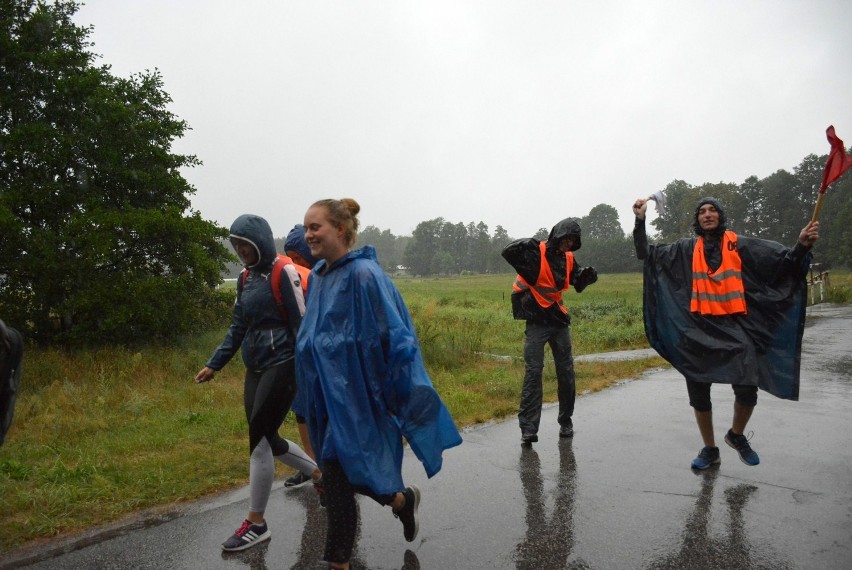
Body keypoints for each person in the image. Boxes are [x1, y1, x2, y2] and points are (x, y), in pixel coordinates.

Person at [296, 198, 462, 570]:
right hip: (328, 400)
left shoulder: (365, 276)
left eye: (315, 227)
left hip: (359, 400)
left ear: (340, 228)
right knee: (347, 472)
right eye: (305, 227)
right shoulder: (320, 278)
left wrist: (398, 395)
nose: (308, 234)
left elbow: (395, 339)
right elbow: (314, 338)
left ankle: (337, 562)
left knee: (338, 479)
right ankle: (402, 502)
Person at [632, 196, 819, 470]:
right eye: (702, 211)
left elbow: (785, 263)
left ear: (721, 216)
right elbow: (644, 253)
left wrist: (802, 245)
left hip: (734, 330)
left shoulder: (741, 244)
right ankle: (710, 450)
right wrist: (640, 221)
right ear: (697, 219)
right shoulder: (685, 249)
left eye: (713, 210)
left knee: (747, 385)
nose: (707, 215)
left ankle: (736, 434)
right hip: (695, 329)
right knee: (698, 392)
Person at [194, 214, 322, 552]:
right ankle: (321, 477)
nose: (240, 250)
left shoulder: (285, 272)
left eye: (245, 244)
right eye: (236, 245)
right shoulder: (245, 279)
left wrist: (310, 373)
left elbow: (302, 325)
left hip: (284, 364)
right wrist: (214, 364)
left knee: (259, 442)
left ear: (260, 242)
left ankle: (256, 523)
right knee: (268, 436)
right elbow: (238, 327)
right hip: (256, 367)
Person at [501, 218, 598, 444]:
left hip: (557, 318)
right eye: (566, 239)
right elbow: (508, 252)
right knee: (534, 372)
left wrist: (586, 276)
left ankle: (566, 421)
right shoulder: (537, 252)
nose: (569, 244)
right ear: (558, 235)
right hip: (536, 319)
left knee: (566, 371)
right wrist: (528, 243)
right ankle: (528, 429)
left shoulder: (569, 258)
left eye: (573, 241)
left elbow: (577, 281)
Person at [281, 224, 320, 489]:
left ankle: (333, 468)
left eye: (297, 258)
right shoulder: (294, 278)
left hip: (321, 356)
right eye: (290, 258)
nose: (293, 264)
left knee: (323, 412)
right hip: (299, 355)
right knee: (301, 410)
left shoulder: (323, 276)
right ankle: (310, 463)